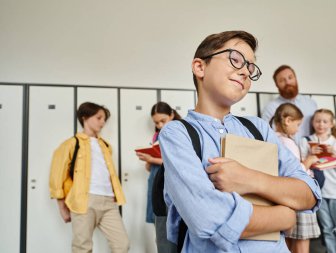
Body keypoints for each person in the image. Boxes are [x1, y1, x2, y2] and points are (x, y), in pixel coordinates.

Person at [159, 30, 321, 253]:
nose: (245, 71)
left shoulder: (259, 128)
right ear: (200, 67)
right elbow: (208, 218)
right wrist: (283, 215)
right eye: (235, 59)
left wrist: (250, 179)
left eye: (250, 67)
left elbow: (309, 193)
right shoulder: (177, 134)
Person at [49, 102, 129, 253]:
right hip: (84, 201)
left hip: (109, 201)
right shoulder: (71, 144)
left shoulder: (105, 146)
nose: (103, 122)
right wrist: (62, 207)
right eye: (99, 118)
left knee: (122, 244)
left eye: (104, 119)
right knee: (82, 247)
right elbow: (57, 175)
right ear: (85, 117)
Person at [300, 109, 336, 253]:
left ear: (331, 124)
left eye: (325, 121)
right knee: (328, 230)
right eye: (317, 121)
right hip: (319, 192)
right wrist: (312, 155)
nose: (321, 124)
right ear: (312, 122)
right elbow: (302, 167)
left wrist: (334, 155)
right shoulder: (306, 141)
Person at [270, 103, 321, 253]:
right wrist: (309, 161)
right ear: (287, 121)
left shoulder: (272, 138)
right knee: (302, 243)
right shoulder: (288, 142)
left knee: (288, 241)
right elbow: (295, 171)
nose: (298, 129)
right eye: (297, 124)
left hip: (284, 197)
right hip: (299, 195)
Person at [135, 101, 181, 253]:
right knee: (160, 229)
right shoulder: (156, 135)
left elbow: (177, 163)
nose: (160, 125)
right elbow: (151, 168)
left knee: (173, 228)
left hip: (172, 184)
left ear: (172, 115)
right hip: (156, 181)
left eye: (163, 121)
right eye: (156, 122)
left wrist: (152, 159)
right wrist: (148, 161)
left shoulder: (180, 132)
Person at [261, 65, 317, 143]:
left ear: (296, 78)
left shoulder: (311, 103)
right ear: (277, 85)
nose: (288, 82)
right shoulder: (270, 108)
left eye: (290, 77)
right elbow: (267, 136)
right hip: (284, 153)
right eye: (282, 80)